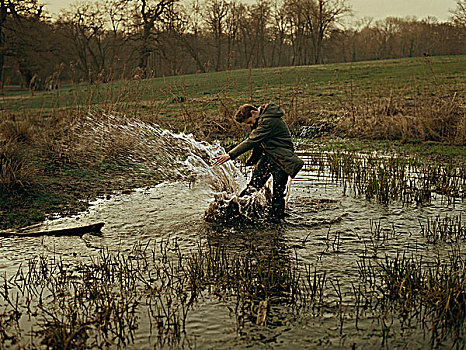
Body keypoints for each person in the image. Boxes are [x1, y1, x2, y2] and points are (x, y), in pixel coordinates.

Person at [213, 102, 304, 221]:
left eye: (250, 121)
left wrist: (230, 155)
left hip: (282, 160)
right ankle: (236, 212)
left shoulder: (269, 121)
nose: (251, 124)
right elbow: (258, 144)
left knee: (278, 194)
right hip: (269, 157)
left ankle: (277, 223)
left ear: (254, 112)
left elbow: (252, 140)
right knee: (253, 187)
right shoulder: (261, 120)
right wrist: (252, 161)